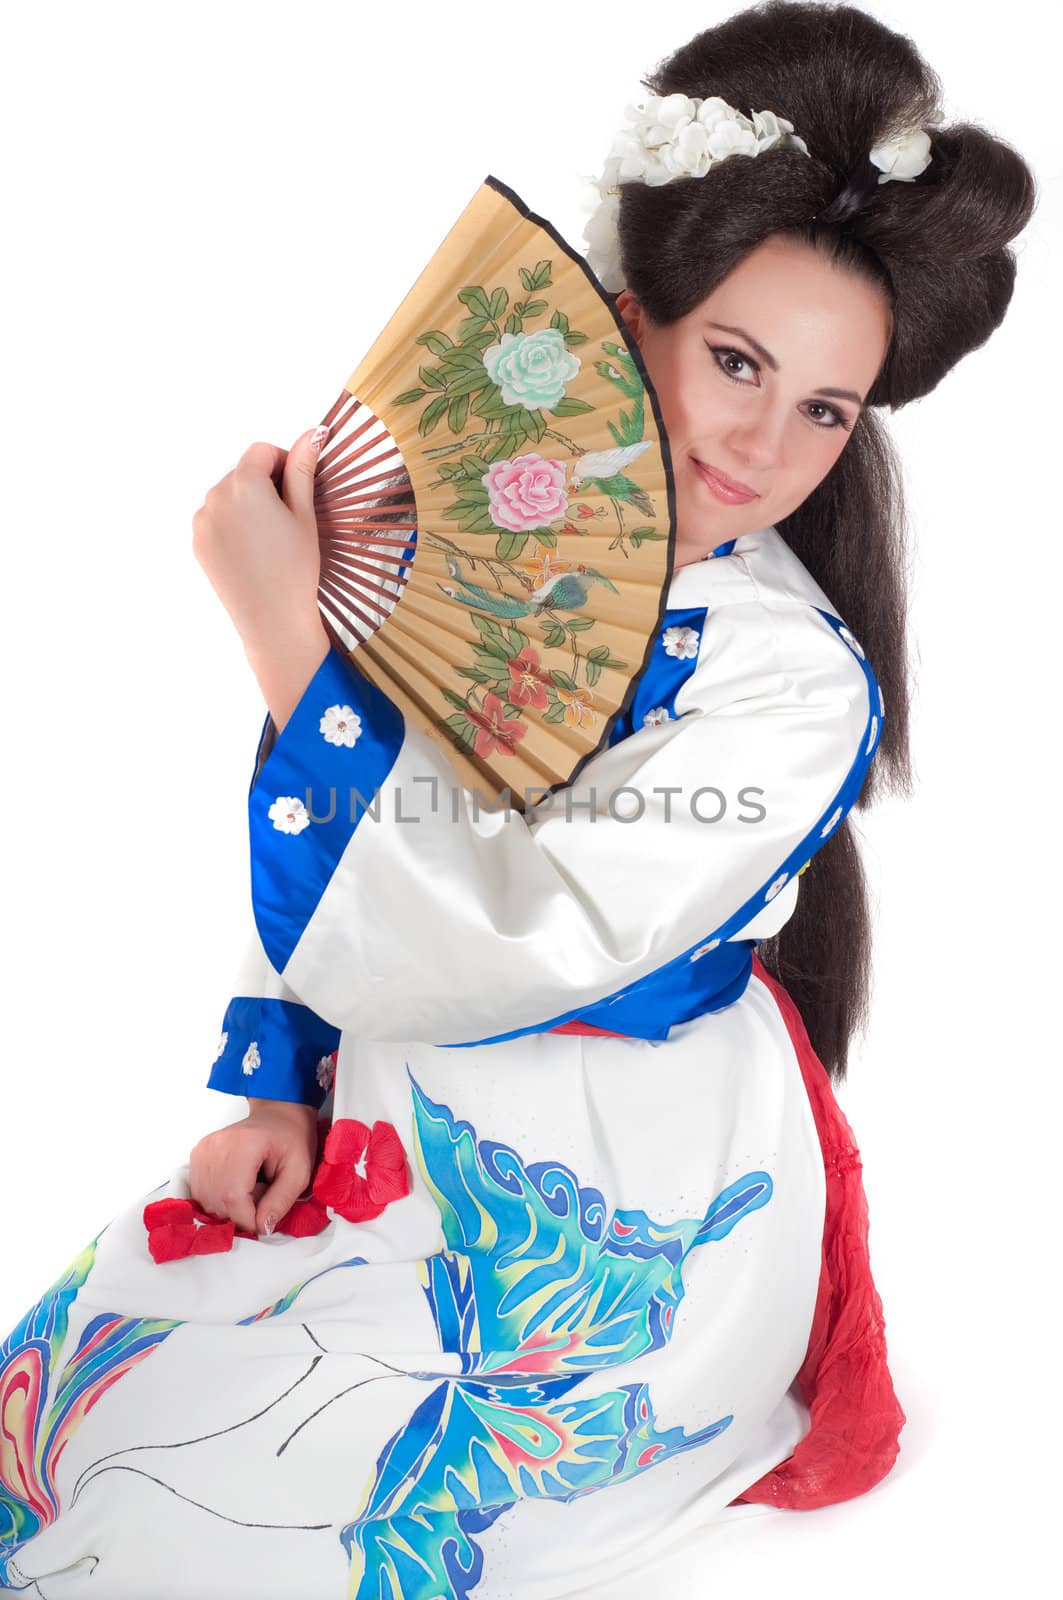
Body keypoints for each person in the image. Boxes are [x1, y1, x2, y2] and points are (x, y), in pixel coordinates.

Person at [0, 4, 1036, 1597]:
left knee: (200, 1522)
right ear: (636, 321)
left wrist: (284, 633)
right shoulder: (482, 547)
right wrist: (278, 1083)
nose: (766, 444)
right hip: (392, 1102)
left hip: (631, 1190)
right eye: (737, 363)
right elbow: (344, 825)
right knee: (62, 1414)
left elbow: (504, 935)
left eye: (826, 409)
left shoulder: (795, 681)